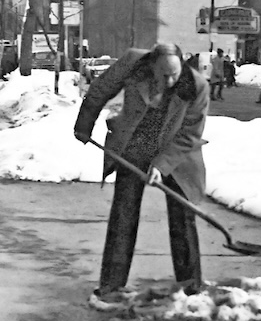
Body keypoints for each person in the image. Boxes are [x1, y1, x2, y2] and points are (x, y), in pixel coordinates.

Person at [73, 43, 209, 301]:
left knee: (182, 217)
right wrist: (84, 123)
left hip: (176, 150)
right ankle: (111, 285)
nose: (169, 81)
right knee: (123, 213)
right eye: (163, 75)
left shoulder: (197, 86)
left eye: (174, 75)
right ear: (152, 67)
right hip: (136, 141)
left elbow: (189, 134)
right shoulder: (133, 62)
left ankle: (191, 287)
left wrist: (161, 165)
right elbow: (101, 88)